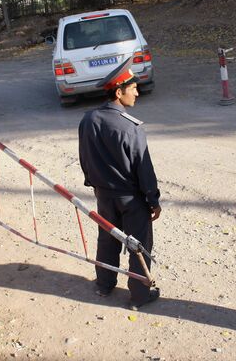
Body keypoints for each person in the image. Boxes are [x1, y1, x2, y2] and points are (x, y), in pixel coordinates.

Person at [78, 57, 161, 310]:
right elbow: (143, 168)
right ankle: (139, 296)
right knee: (138, 246)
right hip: (131, 198)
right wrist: (153, 199)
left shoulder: (88, 119)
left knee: (107, 239)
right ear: (118, 91)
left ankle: (104, 285)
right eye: (132, 88)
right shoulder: (131, 128)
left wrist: (94, 184)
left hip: (104, 195)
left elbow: (84, 158)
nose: (137, 92)